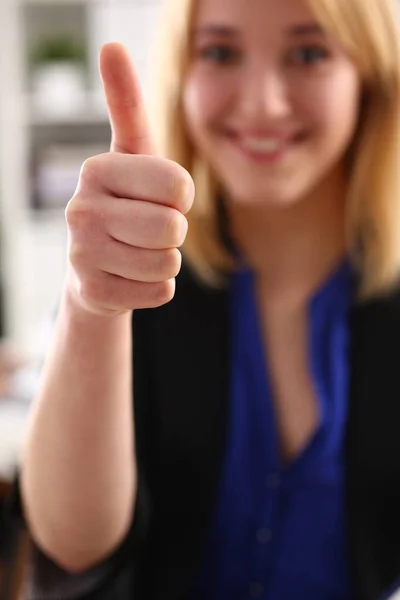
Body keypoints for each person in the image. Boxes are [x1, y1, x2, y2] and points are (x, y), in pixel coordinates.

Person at [12, 0, 400, 598]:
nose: (263, 103)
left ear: (370, 77)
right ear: (182, 77)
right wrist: (91, 308)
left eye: (309, 53)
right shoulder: (133, 272)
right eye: (220, 52)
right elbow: (72, 544)